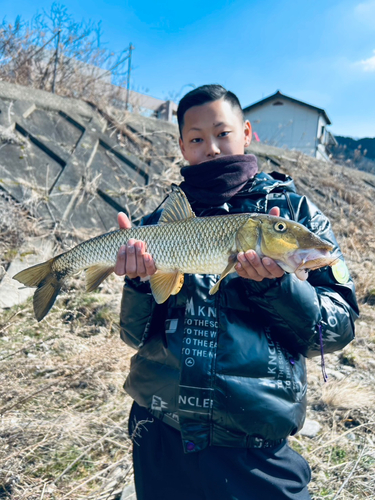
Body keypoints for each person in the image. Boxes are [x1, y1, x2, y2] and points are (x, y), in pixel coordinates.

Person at [114, 84, 359, 500]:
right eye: (196, 138)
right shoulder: (157, 225)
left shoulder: (295, 216)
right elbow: (133, 337)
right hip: (160, 431)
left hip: (255, 445)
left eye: (222, 133)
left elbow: (336, 331)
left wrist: (278, 287)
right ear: (182, 146)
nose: (211, 148)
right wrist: (138, 283)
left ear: (247, 132)